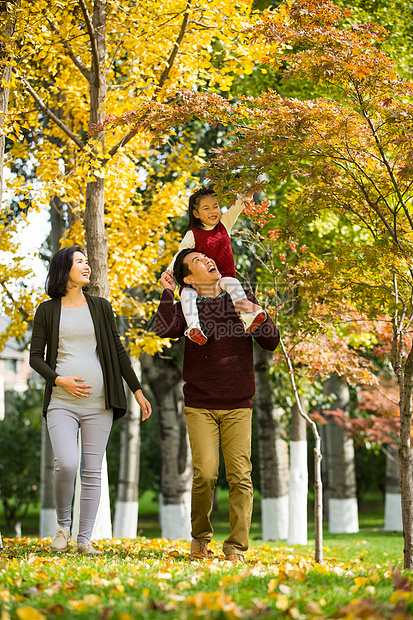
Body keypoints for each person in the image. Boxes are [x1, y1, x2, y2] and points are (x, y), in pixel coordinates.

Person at [154, 249, 279, 563]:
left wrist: (260, 316)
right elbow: (163, 329)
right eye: (197, 260)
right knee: (206, 474)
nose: (207, 260)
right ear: (188, 278)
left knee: (241, 475)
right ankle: (200, 539)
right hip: (200, 403)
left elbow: (271, 341)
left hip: (238, 402)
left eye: (207, 257)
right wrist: (167, 293)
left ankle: (236, 547)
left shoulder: (240, 294)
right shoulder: (187, 304)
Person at [30, 246, 152, 555]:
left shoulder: (100, 306)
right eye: (80, 261)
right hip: (61, 401)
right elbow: (34, 358)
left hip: (100, 403)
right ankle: (63, 528)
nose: (87, 266)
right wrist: (60, 380)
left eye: (87, 261)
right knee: (67, 463)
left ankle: (84, 541)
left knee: (92, 471)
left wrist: (136, 390)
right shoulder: (47, 310)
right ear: (64, 269)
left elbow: (118, 350)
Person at [166, 187, 266, 345]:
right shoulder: (193, 234)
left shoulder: (224, 225)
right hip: (200, 284)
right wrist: (168, 272)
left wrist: (247, 195)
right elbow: (180, 256)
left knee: (233, 283)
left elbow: (237, 207)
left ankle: (248, 317)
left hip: (222, 278)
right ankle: (194, 328)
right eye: (206, 208)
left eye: (216, 206)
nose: (213, 211)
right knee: (187, 294)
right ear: (196, 214)